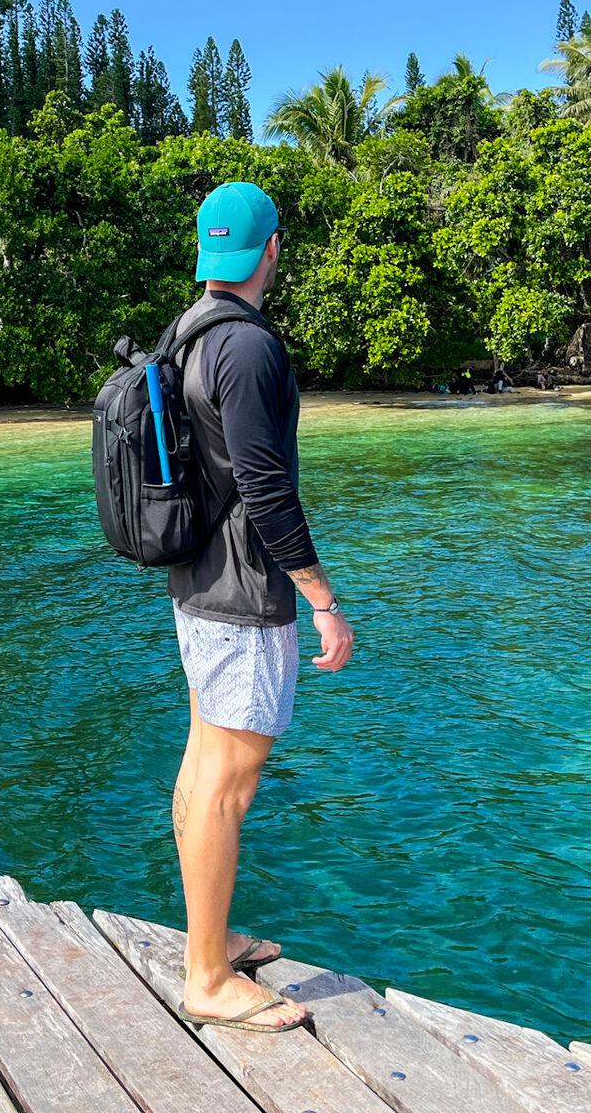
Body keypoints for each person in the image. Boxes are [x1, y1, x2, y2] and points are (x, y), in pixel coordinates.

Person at [164, 181, 356, 1034]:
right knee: (229, 786)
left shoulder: (188, 333)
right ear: (271, 249)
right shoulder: (247, 348)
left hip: (198, 583)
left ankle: (210, 939)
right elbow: (265, 486)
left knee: (205, 761)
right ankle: (206, 976)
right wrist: (322, 599)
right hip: (244, 594)